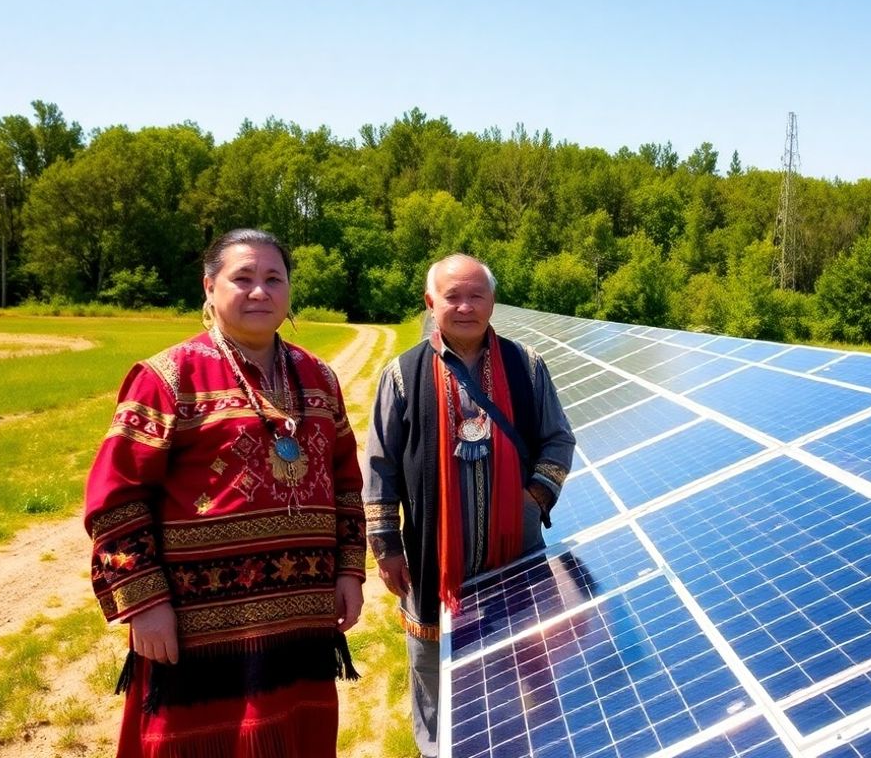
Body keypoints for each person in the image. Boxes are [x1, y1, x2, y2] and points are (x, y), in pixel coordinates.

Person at [84, 228, 366, 758]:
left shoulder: (319, 378)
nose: (259, 291)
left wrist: (350, 570)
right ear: (210, 287)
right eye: (243, 278)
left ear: (288, 291)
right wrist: (145, 602)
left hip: (301, 617)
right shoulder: (167, 377)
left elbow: (346, 483)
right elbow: (116, 498)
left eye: (272, 279)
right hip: (198, 626)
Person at [363, 253, 576, 756]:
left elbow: (558, 441)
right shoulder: (401, 375)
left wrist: (532, 500)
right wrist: (385, 544)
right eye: (452, 296)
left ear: (492, 301)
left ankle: (509, 743)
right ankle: (437, 747)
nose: (465, 306)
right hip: (431, 557)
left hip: (517, 553)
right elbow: (380, 467)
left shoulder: (527, 366)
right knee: (432, 663)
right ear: (430, 302)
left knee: (518, 657)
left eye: (476, 295)